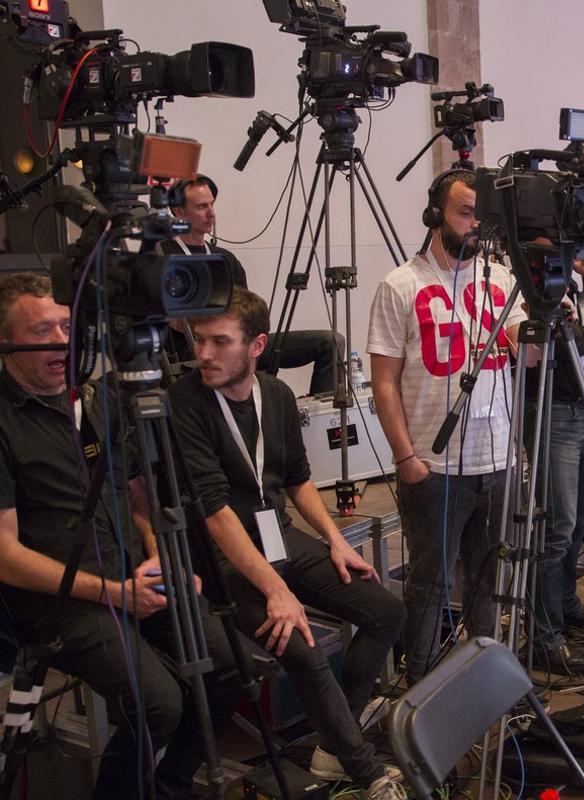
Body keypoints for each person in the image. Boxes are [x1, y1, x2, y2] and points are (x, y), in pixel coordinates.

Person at [0, 273, 241, 800]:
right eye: (42, 331)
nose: (62, 342)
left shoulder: (99, 400)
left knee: (228, 667)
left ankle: (169, 787)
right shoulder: (5, 422)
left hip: (135, 572)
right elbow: (6, 556)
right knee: (160, 702)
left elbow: (138, 502)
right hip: (60, 597)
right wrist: (113, 594)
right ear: (7, 340)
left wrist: (163, 556)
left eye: (68, 326)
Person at [168, 289, 405, 800]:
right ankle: (366, 772)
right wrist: (277, 590)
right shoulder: (185, 402)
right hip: (223, 561)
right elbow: (215, 511)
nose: (204, 353)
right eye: (199, 340)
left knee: (386, 611)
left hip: (278, 537)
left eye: (219, 342)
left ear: (256, 346)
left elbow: (297, 479)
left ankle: (333, 741)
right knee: (303, 648)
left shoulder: (274, 394)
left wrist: (336, 540)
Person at [367, 168, 525, 684]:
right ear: (435, 215)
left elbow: (530, 348)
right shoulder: (400, 285)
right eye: (464, 212)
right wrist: (405, 457)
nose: (475, 223)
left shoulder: (502, 280)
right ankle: (420, 689)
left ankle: (481, 684)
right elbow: (384, 381)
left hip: (498, 460)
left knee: (487, 581)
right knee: (430, 585)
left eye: (482, 214)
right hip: (434, 467)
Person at [162, 174, 344, 395]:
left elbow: (247, 312)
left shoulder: (225, 259)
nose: (212, 213)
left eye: (212, 204)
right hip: (194, 353)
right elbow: (171, 321)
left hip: (242, 344)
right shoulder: (162, 256)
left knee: (331, 341)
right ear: (179, 212)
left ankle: (324, 420)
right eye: (202, 206)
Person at [520, 275, 584, 675]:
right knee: (557, 527)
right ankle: (544, 636)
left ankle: (565, 604)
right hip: (553, 412)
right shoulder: (529, 277)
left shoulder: (571, 279)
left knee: (583, 517)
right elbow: (573, 341)